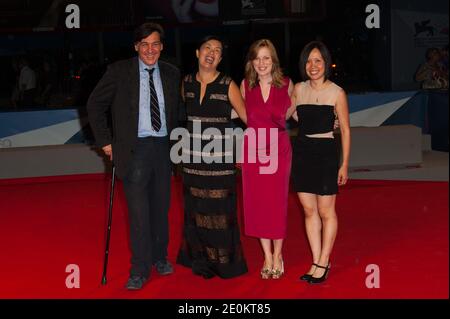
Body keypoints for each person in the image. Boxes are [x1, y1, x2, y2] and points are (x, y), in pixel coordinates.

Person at [87, 22, 181, 290]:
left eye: (155, 44)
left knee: (161, 210)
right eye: (144, 44)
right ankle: (139, 269)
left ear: (162, 47)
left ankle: (160, 257)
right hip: (134, 150)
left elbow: (180, 112)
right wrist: (106, 142)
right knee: (139, 214)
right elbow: (95, 104)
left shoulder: (172, 73)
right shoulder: (119, 71)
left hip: (164, 148)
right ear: (136, 46)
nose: (150, 49)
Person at [176, 36, 248, 279]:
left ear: (220, 58)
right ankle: (201, 261)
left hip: (220, 163)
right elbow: (182, 117)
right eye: (207, 47)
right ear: (197, 52)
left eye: (217, 50)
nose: (212, 53)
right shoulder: (185, 82)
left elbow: (248, 118)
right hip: (193, 162)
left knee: (220, 213)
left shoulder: (228, 84)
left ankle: (224, 264)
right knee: (196, 213)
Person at [288, 41, 350, 284]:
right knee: (309, 210)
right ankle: (316, 260)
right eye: (309, 61)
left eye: (318, 61)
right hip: (302, 152)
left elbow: (345, 129)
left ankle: (324, 260)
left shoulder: (337, 92)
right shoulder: (299, 89)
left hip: (325, 153)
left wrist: (344, 164)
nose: (313, 66)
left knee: (326, 211)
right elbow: (292, 115)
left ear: (326, 63)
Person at [240, 39, 293, 280]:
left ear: (273, 61)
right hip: (254, 149)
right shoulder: (245, 86)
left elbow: (297, 112)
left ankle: (278, 254)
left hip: (279, 148)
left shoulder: (288, 85)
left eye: (266, 58)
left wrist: (327, 120)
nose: (261, 63)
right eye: (257, 58)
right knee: (258, 202)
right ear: (251, 61)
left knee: (277, 202)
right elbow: (244, 117)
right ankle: (267, 256)